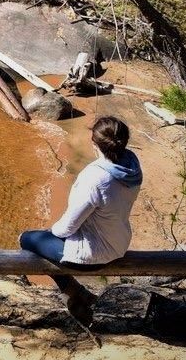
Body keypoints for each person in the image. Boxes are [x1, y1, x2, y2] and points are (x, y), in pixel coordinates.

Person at [19, 115, 143, 326]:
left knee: (26, 239)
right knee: (48, 239)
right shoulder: (132, 167)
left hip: (93, 256)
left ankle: (72, 291)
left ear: (94, 143)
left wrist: (49, 233)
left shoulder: (95, 178)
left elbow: (67, 227)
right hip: (120, 244)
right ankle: (77, 293)